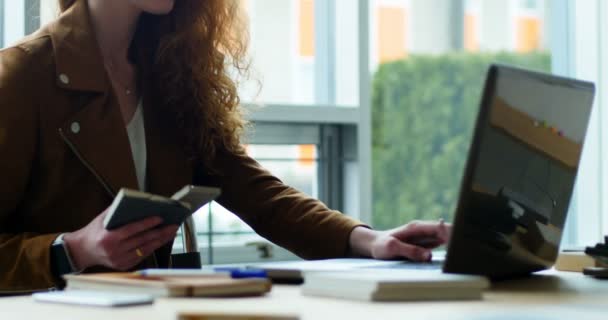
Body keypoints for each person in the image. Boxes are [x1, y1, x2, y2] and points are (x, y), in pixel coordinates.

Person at [0, 0, 449, 291]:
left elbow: (257, 193)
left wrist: (368, 241)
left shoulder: (169, 72)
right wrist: (71, 249)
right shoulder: (22, 77)